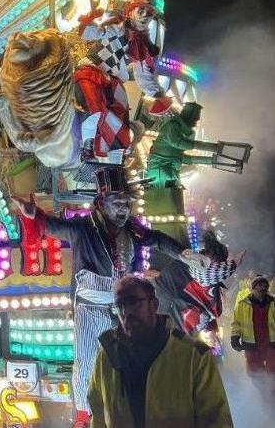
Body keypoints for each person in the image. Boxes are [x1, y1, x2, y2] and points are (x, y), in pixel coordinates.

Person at [13, 166, 238, 428]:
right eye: (116, 203)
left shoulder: (134, 231)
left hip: (125, 308)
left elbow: (159, 240)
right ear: (101, 203)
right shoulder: (84, 229)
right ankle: (84, 419)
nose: (122, 209)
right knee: (88, 361)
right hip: (91, 306)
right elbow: (56, 227)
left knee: (130, 361)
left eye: (126, 203)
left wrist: (185, 254)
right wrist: (34, 215)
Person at [88, 275, 232, 427]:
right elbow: (98, 416)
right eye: (119, 305)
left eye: (133, 302)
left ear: (154, 304)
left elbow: (216, 419)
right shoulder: (106, 356)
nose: (126, 312)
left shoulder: (193, 355)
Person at [75, 0, 172, 162]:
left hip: (112, 81)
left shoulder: (143, 45)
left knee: (122, 122)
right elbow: (89, 33)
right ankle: (87, 148)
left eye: (149, 13)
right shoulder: (117, 27)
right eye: (141, 10)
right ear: (131, 10)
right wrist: (89, 20)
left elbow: (144, 77)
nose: (145, 16)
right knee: (98, 110)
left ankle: (116, 161)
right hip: (91, 72)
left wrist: (159, 96)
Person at [231, 275, 274, 386]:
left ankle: (271, 398)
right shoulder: (242, 304)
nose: (263, 288)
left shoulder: (273, 303)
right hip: (251, 343)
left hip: (271, 343)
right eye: (260, 285)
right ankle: (261, 395)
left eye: (265, 286)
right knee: (254, 371)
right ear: (253, 288)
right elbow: (236, 323)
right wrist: (235, 337)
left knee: (273, 371)